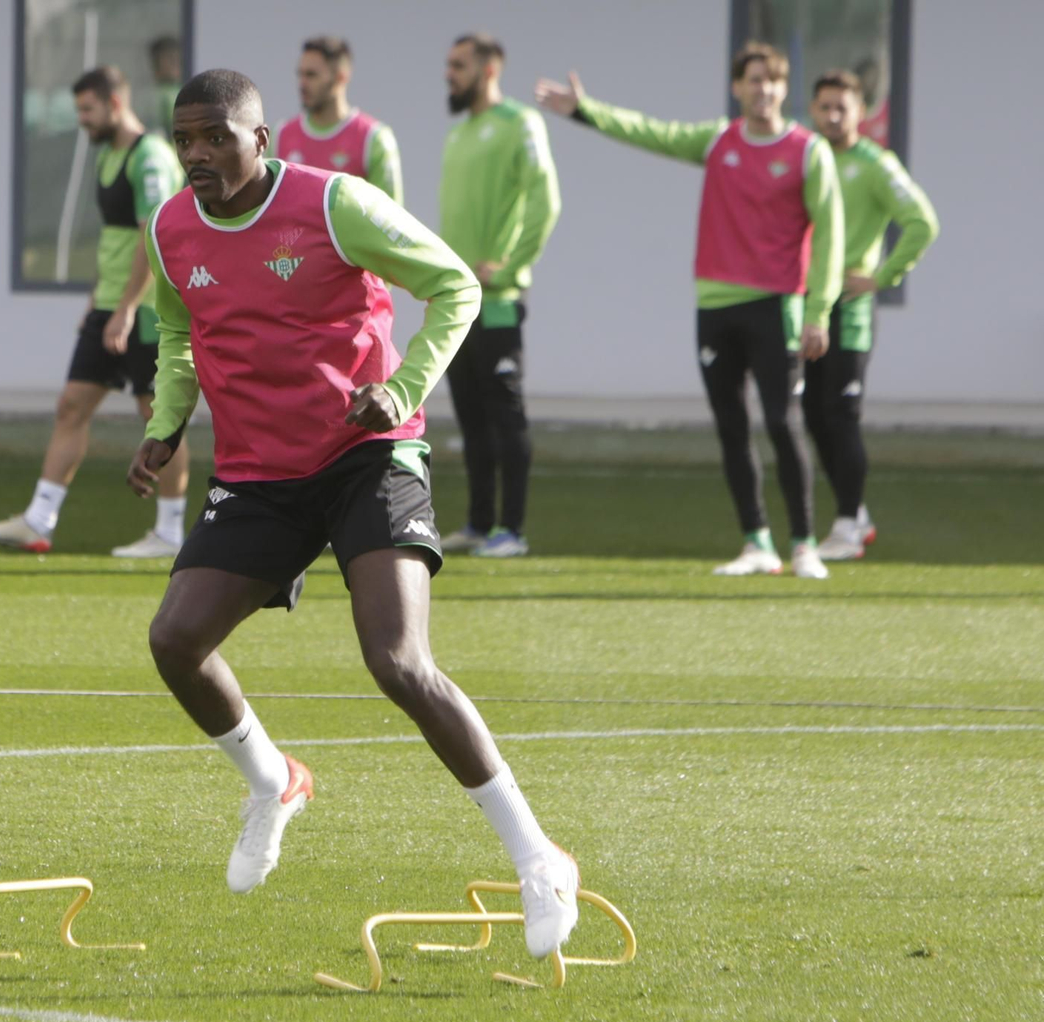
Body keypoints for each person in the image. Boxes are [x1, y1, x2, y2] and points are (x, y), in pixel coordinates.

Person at [126, 69, 581, 961]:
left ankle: (540, 857)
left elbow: (456, 286)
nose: (197, 155)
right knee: (175, 641)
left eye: (216, 136)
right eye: (185, 140)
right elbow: (180, 333)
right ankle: (274, 781)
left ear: (262, 137)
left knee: (399, 662)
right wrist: (165, 421)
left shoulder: (336, 204)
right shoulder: (170, 229)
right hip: (259, 472)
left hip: (367, 452)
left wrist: (401, 387)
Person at [536, 42, 843, 579]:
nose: (763, 89)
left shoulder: (808, 150)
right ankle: (756, 543)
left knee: (781, 421)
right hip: (715, 306)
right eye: (753, 79)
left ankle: (803, 545)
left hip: (778, 306)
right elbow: (652, 131)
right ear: (737, 88)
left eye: (772, 81)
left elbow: (832, 237)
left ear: (783, 88)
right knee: (730, 426)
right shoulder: (718, 140)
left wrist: (818, 311)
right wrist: (586, 111)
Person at [0, 66, 190, 558]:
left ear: (115, 103)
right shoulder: (107, 157)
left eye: (88, 110)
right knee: (71, 406)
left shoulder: (150, 155)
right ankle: (38, 521)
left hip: (148, 310)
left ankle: (172, 533)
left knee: (158, 415)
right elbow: (114, 241)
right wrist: (97, 302)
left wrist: (128, 309)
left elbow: (152, 234)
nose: (82, 121)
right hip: (110, 305)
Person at [806, 69, 939, 561]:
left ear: (861, 113)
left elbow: (922, 222)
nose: (834, 116)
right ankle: (855, 514)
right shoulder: (809, 158)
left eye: (843, 108)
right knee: (813, 416)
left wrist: (883, 277)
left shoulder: (875, 163)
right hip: (810, 306)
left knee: (842, 414)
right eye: (825, 107)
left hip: (852, 310)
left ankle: (846, 526)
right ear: (813, 110)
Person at [437, 34, 561, 558]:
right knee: (470, 417)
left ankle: (512, 530)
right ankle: (479, 523)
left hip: (500, 301)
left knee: (506, 415)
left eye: (459, 65)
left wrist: (511, 264)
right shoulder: (458, 136)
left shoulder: (520, 123)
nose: (449, 74)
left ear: (489, 69)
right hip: (457, 305)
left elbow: (546, 199)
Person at [272, 36, 402, 204]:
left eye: (312, 75)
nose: (302, 83)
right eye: (300, 74)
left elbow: (389, 218)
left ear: (341, 77)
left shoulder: (373, 138)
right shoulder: (280, 136)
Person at [147, 35, 184, 139]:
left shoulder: (182, 90)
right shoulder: (160, 95)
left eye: (177, 59)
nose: (176, 63)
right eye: (171, 60)